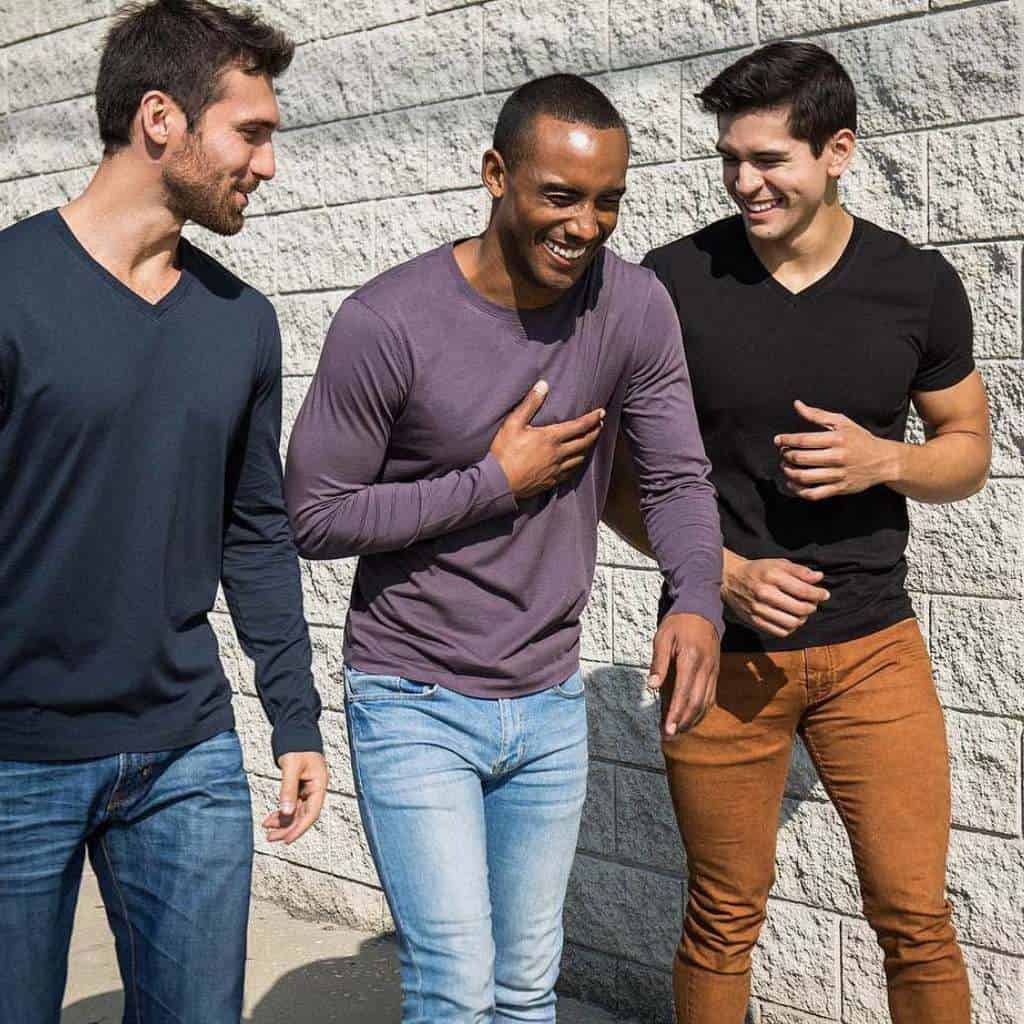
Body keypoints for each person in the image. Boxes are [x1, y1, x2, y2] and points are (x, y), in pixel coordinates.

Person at [285, 73, 724, 1023]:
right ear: (496, 175)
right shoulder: (387, 321)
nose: (586, 225)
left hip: (548, 699)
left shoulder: (635, 305)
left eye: (608, 201)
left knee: (527, 991)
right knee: (455, 985)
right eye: (560, 196)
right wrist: (493, 482)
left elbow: (678, 478)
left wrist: (696, 598)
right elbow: (314, 515)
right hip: (414, 698)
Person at [603, 41, 991, 1024]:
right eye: (731, 159)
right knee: (721, 919)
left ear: (837, 151)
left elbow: (967, 449)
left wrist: (885, 461)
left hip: (874, 649)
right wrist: (719, 570)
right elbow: (610, 478)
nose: (745, 182)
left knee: (915, 917)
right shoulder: (669, 283)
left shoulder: (915, 285)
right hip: (717, 651)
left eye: (769, 159)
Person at [0, 2, 326, 1021]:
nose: (267, 164)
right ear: (160, 119)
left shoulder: (242, 323)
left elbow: (255, 529)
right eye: (251, 132)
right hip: (14, 755)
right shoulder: (8, 290)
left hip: (186, 752)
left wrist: (295, 715)